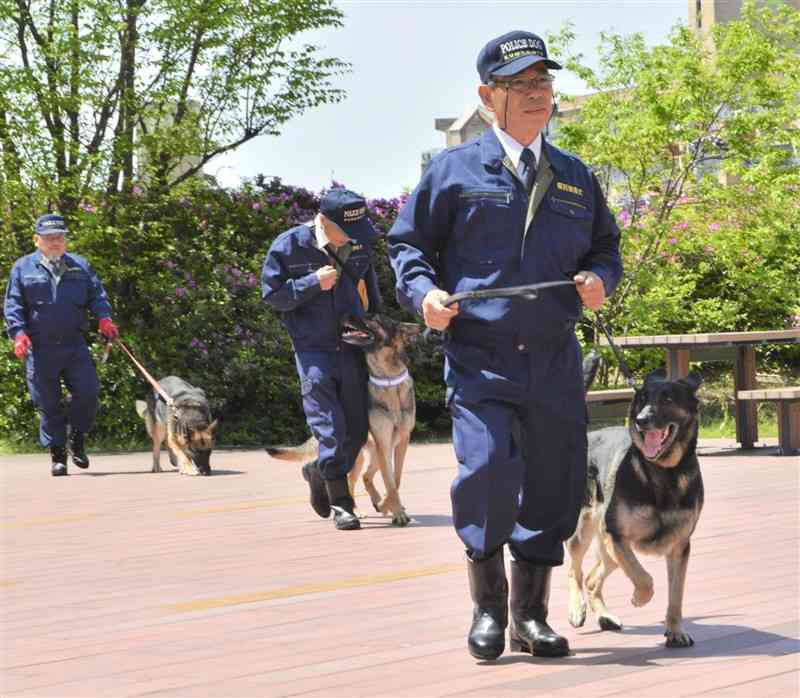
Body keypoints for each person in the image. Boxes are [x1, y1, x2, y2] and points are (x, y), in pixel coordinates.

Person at [387, 30, 623, 660]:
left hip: (553, 356)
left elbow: (606, 249)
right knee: (488, 473)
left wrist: (601, 279)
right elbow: (407, 246)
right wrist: (425, 295)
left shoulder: (574, 176)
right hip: (480, 354)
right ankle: (488, 608)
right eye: (521, 85)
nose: (536, 95)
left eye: (543, 83)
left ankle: (531, 615)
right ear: (487, 96)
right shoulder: (452, 170)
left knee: (554, 483)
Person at [262, 188, 382, 531]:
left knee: (357, 431)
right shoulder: (289, 246)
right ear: (325, 221)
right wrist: (312, 282)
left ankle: (318, 470)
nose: (353, 238)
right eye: (346, 230)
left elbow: (371, 298)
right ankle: (343, 503)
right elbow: (273, 296)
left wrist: (373, 326)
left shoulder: (359, 246)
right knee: (330, 428)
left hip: (353, 347)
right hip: (313, 349)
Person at [4, 213, 120, 476]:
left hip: (74, 344)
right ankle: (57, 455)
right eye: (49, 238)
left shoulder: (80, 266)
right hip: (41, 348)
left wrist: (104, 318)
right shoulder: (22, 268)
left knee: (88, 392)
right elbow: (13, 305)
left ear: (65, 240)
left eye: (60, 237)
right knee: (48, 402)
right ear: (37, 240)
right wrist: (19, 334)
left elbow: (97, 295)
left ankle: (76, 439)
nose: (55, 242)